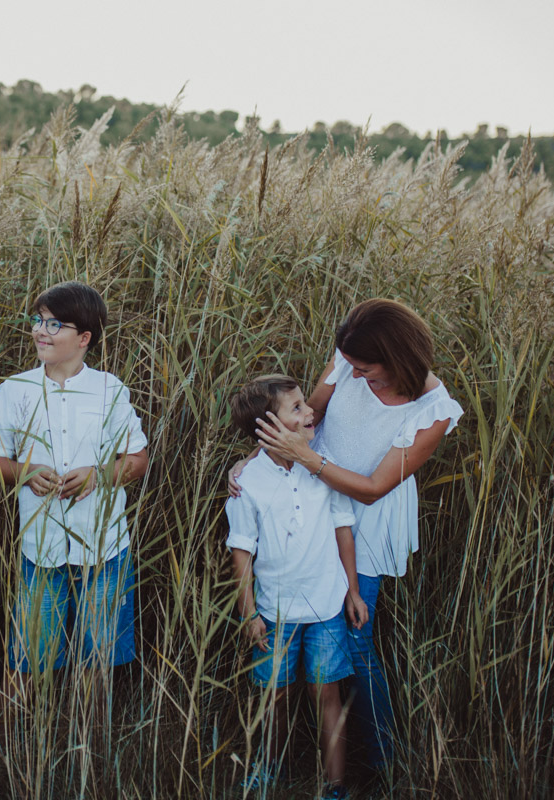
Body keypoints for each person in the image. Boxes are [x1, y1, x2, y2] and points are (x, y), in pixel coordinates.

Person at [228, 298, 463, 774]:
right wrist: (256, 459)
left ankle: (382, 763)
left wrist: (309, 460)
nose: (353, 376)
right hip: (310, 499)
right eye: (349, 365)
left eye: (366, 369)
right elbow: (304, 414)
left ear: (397, 359)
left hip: (367, 520)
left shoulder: (434, 410)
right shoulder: (349, 356)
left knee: (354, 641)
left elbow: (375, 488)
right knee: (320, 637)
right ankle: (296, 760)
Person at [0, 282, 149, 691]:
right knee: (26, 659)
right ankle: (11, 752)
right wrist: (25, 472)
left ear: (84, 338)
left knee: (96, 660)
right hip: (42, 546)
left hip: (104, 546)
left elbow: (138, 460)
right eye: (37, 320)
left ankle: (87, 752)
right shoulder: (16, 389)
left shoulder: (111, 391)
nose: (40, 331)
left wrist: (98, 475)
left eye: (55, 324)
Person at [226, 374, 367, 800]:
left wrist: (352, 591)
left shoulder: (321, 467)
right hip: (274, 612)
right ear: (269, 427)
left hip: (325, 608)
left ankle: (335, 786)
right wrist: (249, 612)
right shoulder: (247, 482)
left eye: (307, 404)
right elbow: (242, 552)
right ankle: (269, 770)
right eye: (298, 408)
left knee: (327, 694)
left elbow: (344, 531)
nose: (310, 414)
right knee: (276, 697)